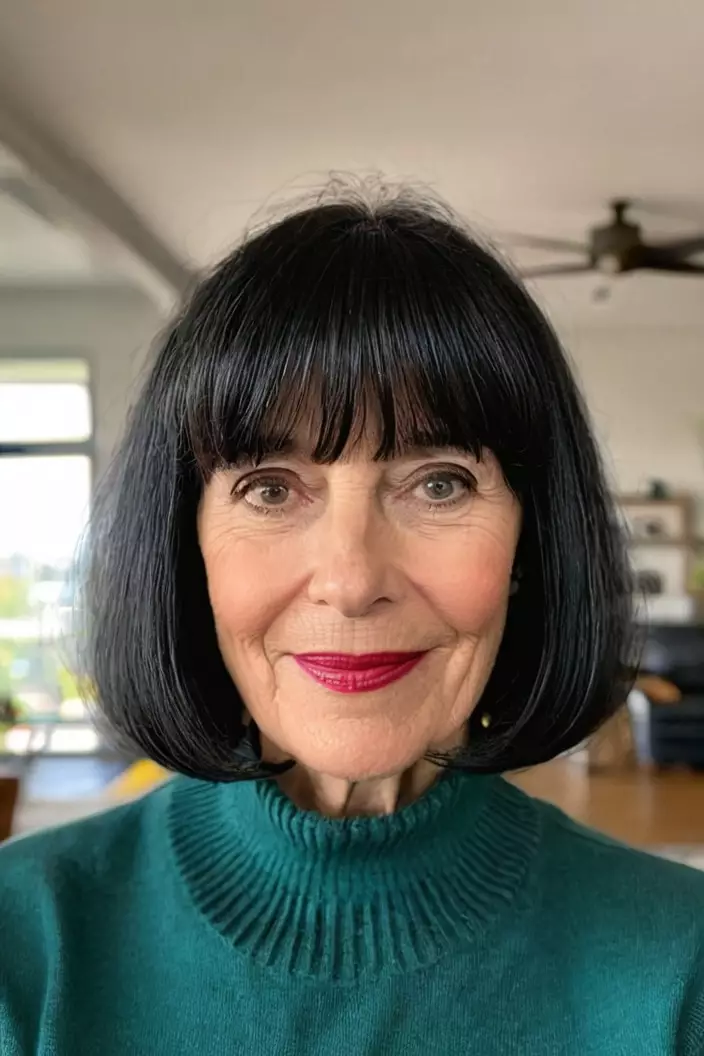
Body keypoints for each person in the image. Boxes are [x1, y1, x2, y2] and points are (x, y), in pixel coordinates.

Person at [1, 184, 703, 1055]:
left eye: (439, 483)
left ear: (530, 544)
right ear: (189, 547)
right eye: (270, 489)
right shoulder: (24, 951)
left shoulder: (681, 967)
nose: (351, 580)